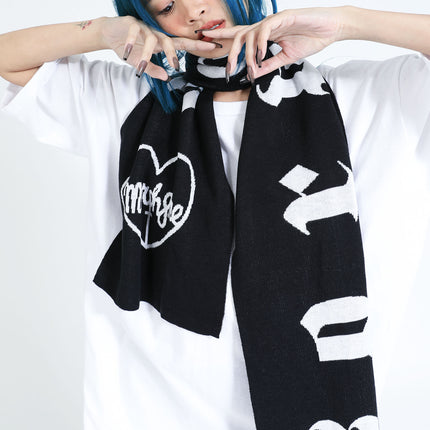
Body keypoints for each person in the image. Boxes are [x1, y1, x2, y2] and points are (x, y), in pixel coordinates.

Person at [1, 1, 430, 429]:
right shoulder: (129, 99)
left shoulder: (354, 97)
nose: (193, 10)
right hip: (148, 413)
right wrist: (101, 32)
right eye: (166, 5)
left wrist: (345, 23)